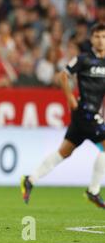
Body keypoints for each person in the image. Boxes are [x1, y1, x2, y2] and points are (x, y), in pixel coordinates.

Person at [22, 23, 105, 208]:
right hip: (84, 111)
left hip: (86, 116)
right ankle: (93, 191)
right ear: (92, 39)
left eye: (103, 37)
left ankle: (30, 179)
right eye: (97, 36)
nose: (101, 40)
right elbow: (63, 76)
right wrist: (70, 99)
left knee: (64, 152)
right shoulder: (83, 59)